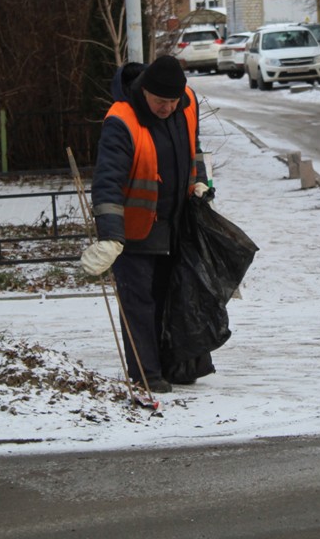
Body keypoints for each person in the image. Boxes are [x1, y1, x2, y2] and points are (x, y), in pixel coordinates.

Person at [81, 55, 209, 394]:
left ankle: (177, 364)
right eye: (160, 102)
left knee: (177, 295)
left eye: (172, 102)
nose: (167, 108)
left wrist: (201, 182)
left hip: (178, 221)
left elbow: (193, 148)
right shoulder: (121, 121)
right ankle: (145, 372)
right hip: (135, 229)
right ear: (145, 92)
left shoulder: (188, 103)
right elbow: (107, 181)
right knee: (140, 301)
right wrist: (110, 236)